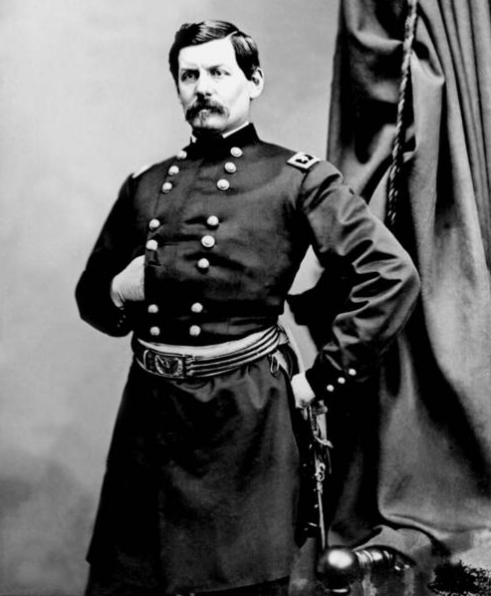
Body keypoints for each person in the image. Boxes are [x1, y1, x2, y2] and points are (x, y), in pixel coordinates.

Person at [76, 20, 420, 596]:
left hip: (245, 418)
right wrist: (118, 290)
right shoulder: (146, 184)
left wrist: (322, 379)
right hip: (149, 417)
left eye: (218, 72)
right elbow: (91, 295)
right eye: (189, 76)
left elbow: (391, 275)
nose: (203, 87)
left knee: (242, 583)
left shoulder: (296, 179)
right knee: (131, 581)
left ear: (253, 81)